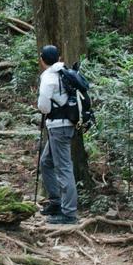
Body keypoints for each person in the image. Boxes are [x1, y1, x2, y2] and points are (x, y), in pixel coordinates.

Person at [36, 45, 78, 224]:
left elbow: (43, 106)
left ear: (42, 60)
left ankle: (69, 213)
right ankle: (55, 201)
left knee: (63, 168)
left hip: (58, 127)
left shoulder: (48, 78)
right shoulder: (64, 72)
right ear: (59, 57)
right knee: (46, 162)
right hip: (64, 125)